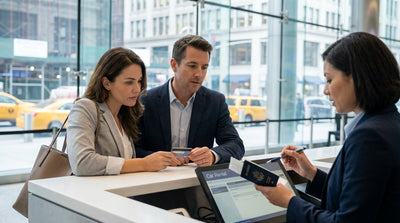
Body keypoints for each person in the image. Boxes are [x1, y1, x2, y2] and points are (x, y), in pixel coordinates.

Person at [255, 32, 400, 222]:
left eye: (329, 80)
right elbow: (361, 200)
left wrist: (289, 201)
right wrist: (312, 174)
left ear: (357, 77)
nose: (325, 90)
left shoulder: (369, 136)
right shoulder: (389, 123)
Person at [67, 47, 181, 176]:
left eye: (139, 81)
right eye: (129, 82)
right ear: (106, 83)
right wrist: (144, 164)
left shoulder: (125, 114)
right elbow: (82, 163)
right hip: (93, 194)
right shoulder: (85, 108)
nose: (137, 89)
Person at [135, 34, 245, 166]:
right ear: (174, 65)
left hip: (195, 181)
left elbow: (236, 144)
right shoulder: (145, 100)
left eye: (204, 67)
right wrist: (158, 159)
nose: (199, 74)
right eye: (192, 66)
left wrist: (212, 155)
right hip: (155, 179)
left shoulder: (215, 102)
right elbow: (133, 148)